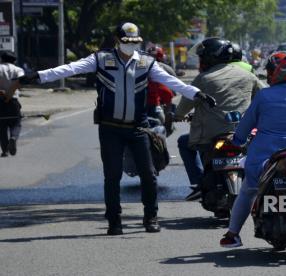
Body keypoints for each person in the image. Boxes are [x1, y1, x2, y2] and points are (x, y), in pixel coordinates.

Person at [21, 22, 215, 236]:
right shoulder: (101, 60)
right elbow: (69, 69)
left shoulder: (146, 63)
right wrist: (38, 76)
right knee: (112, 177)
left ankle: (151, 217)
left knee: (149, 175)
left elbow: (173, 82)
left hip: (139, 128)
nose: (130, 46)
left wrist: (197, 94)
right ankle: (114, 221)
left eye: (134, 42)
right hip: (110, 129)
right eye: (126, 42)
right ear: (117, 41)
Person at [220, 51, 286, 247]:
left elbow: (245, 126)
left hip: (265, 156)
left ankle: (233, 234)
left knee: (248, 190)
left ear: (275, 73)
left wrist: (237, 141)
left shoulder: (263, 96)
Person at [176, 37, 263, 201]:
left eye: (202, 57)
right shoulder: (247, 75)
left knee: (183, 142)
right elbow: (265, 97)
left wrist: (177, 116)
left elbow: (182, 108)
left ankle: (198, 183)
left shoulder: (203, 78)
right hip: (243, 134)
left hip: (211, 136)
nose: (200, 61)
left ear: (209, 57)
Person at [0, 51, 24, 157]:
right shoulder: (18, 69)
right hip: (13, 101)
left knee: (1, 126)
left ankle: (4, 150)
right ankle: (13, 137)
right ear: (14, 61)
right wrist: (11, 91)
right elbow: (21, 83)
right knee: (16, 123)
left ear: (1, 59)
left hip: (0, 101)